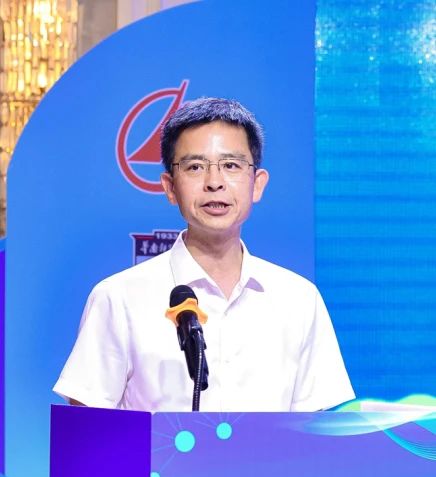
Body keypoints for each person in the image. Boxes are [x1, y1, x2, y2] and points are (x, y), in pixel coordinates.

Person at [54, 97, 354, 412]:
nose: (214, 183)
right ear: (170, 187)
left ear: (257, 184)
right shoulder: (119, 298)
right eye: (195, 167)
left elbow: (317, 430)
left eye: (231, 165)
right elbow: (86, 428)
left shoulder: (299, 299)